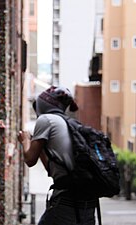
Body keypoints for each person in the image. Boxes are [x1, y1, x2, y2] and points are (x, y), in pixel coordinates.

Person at [18, 86, 97, 225]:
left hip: (67, 201)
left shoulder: (46, 120)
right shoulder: (69, 124)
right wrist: (40, 147)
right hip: (87, 202)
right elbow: (52, 170)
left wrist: (25, 141)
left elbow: (30, 160)